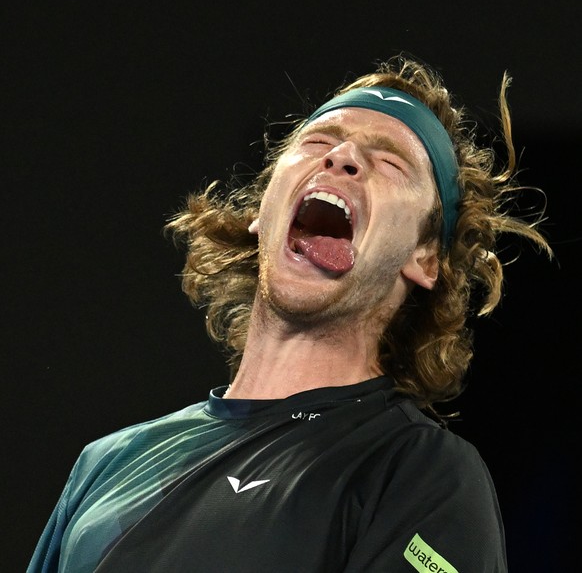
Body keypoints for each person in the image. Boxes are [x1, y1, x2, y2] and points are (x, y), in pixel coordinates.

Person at [28, 54, 551, 572]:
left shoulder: (421, 472)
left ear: (425, 257)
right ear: (261, 212)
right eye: (317, 142)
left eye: (391, 162)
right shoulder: (108, 463)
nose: (343, 156)